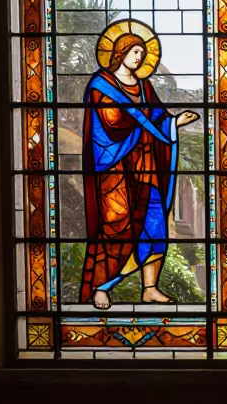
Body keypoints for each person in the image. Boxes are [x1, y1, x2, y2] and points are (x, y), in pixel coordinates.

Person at [80, 25, 199, 309]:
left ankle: (149, 288)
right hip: (115, 169)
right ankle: (101, 287)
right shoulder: (101, 85)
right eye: (135, 52)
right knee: (117, 228)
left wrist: (175, 123)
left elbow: (158, 117)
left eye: (142, 53)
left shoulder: (145, 86)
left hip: (146, 167)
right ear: (120, 52)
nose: (139, 58)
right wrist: (144, 122)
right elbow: (110, 123)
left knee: (156, 225)